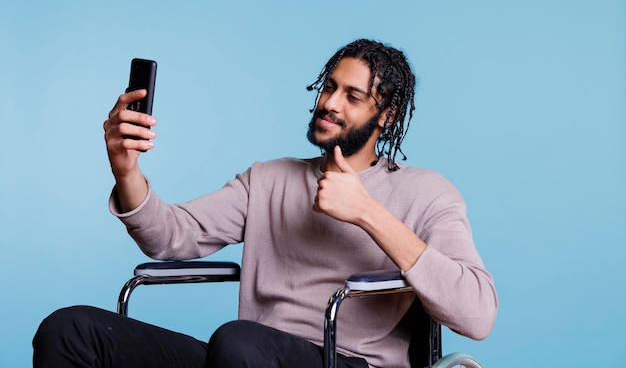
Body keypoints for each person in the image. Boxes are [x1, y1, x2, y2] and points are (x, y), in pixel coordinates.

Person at [33, 39, 498, 368]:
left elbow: (476, 314)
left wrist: (367, 211)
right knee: (69, 329)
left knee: (239, 342)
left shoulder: (427, 191)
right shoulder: (270, 178)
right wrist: (126, 170)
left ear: (387, 115)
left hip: (350, 363)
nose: (330, 103)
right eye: (329, 87)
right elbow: (170, 237)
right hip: (245, 355)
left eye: (352, 96)